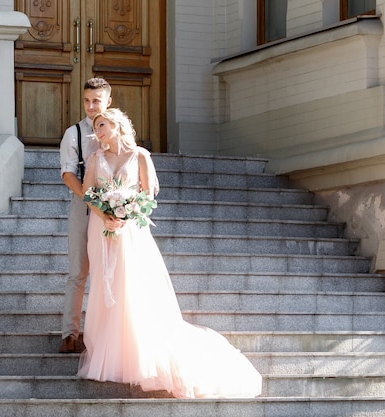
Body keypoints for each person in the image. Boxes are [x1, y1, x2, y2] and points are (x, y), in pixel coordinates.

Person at [77, 108, 263, 398]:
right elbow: (88, 193)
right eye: (96, 126)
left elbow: (148, 194)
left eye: (101, 125)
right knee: (106, 283)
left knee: (132, 285)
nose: (97, 130)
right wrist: (105, 215)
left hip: (130, 231)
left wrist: (125, 214)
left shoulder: (139, 155)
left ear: (116, 125)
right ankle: (108, 353)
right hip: (100, 230)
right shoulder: (95, 158)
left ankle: (137, 353)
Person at [58, 78, 112, 353]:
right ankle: (70, 334)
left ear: (108, 102)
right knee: (78, 271)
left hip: (114, 208)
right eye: (87, 101)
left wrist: (115, 205)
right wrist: (91, 201)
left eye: (96, 101)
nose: (91, 106)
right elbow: (68, 173)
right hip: (82, 204)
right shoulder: (73, 133)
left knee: (111, 272)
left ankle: (106, 335)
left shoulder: (116, 132)